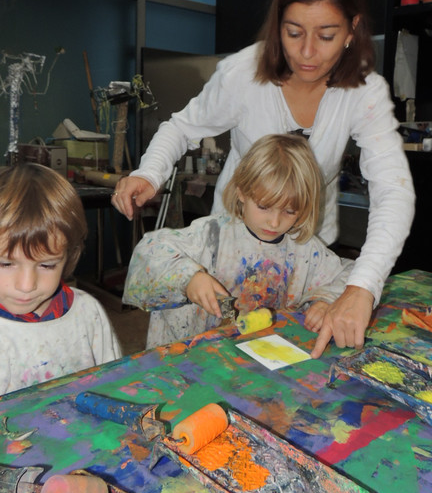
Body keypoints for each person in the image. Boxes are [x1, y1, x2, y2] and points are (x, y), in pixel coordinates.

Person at [113, 0, 415, 358]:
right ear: (278, 25)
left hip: (301, 244)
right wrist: (150, 173)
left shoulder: (364, 91)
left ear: (351, 30)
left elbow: (393, 191)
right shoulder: (243, 74)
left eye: (326, 36)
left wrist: (358, 289)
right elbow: (183, 127)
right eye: (293, 32)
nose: (306, 52)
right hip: (231, 240)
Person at [123, 134, 354, 348]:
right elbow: (149, 252)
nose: (274, 222)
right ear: (242, 192)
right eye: (264, 207)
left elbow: (352, 276)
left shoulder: (306, 250)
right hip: (189, 358)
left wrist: (325, 301)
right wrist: (188, 278)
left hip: (257, 360)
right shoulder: (211, 235)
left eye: (289, 211)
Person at [0, 162, 121, 395]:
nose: (26, 285)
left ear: (69, 257)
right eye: (5, 264)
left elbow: (114, 383)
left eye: (47, 265)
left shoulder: (88, 313)